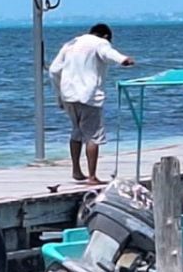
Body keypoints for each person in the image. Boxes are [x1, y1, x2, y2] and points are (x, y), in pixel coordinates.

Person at [49, 23, 135, 184]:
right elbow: (108, 53)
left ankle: (76, 170)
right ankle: (92, 176)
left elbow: (53, 70)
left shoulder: (71, 43)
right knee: (93, 136)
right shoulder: (100, 42)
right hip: (88, 96)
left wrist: (59, 94)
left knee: (76, 131)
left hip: (68, 95)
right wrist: (124, 60)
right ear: (106, 36)